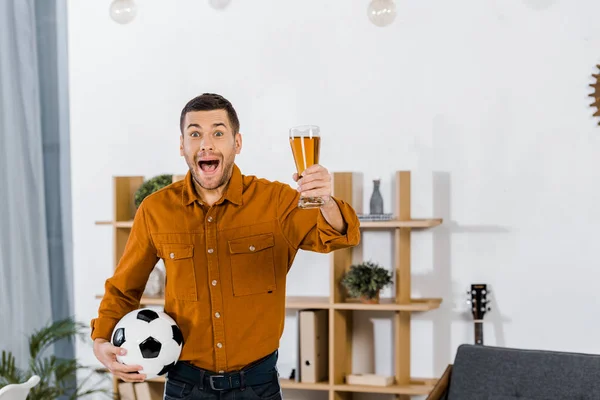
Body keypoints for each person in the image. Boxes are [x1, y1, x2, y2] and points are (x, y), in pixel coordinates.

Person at [91, 93, 361, 399]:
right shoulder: (156, 210)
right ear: (182, 145)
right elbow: (124, 287)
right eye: (195, 134)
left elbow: (338, 235)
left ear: (237, 143)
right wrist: (101, 339)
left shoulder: (276, 202)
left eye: (218, 133)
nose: (206, 144)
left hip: (257, 387)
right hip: (185, 387)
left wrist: (325, 201)